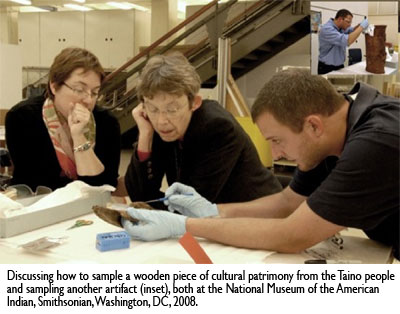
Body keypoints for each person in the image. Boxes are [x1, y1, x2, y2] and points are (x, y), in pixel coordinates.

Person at [122, 69, 400, 260]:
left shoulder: (377, 143)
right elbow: (288, 202)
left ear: (313, 125)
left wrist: (185, 225)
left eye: (277, 140)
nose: (275, 155)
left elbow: (292, 235)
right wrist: (214, 211)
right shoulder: (335, 127)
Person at [115, 53, 281, 205]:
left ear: (194, 103)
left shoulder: (218, 128)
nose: (161, 121)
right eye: (152, 109)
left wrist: (150, 206)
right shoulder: (157, 126)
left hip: (259, 216)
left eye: (172, 109)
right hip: (213, 222)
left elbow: (192, 205)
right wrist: (145, 136)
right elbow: (139, 195)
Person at [5, 47, 121, 191]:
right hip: (37, 205)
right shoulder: (22, 117)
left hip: (89, 208)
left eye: (95, 92)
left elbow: (105, 185)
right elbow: (33, 180)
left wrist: (79, 137)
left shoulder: (107, 123)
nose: (88, 100)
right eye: (79, 89)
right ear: (54, 86)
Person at [318, 9, 369, 74]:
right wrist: (362, 27)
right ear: (340, 19)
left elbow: (352, 30)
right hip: (326, 68)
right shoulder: (327, 29)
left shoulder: (341, 28)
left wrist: (360, 25)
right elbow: (348, 41)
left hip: (339, 66)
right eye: (348, 22)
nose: (349, 25)